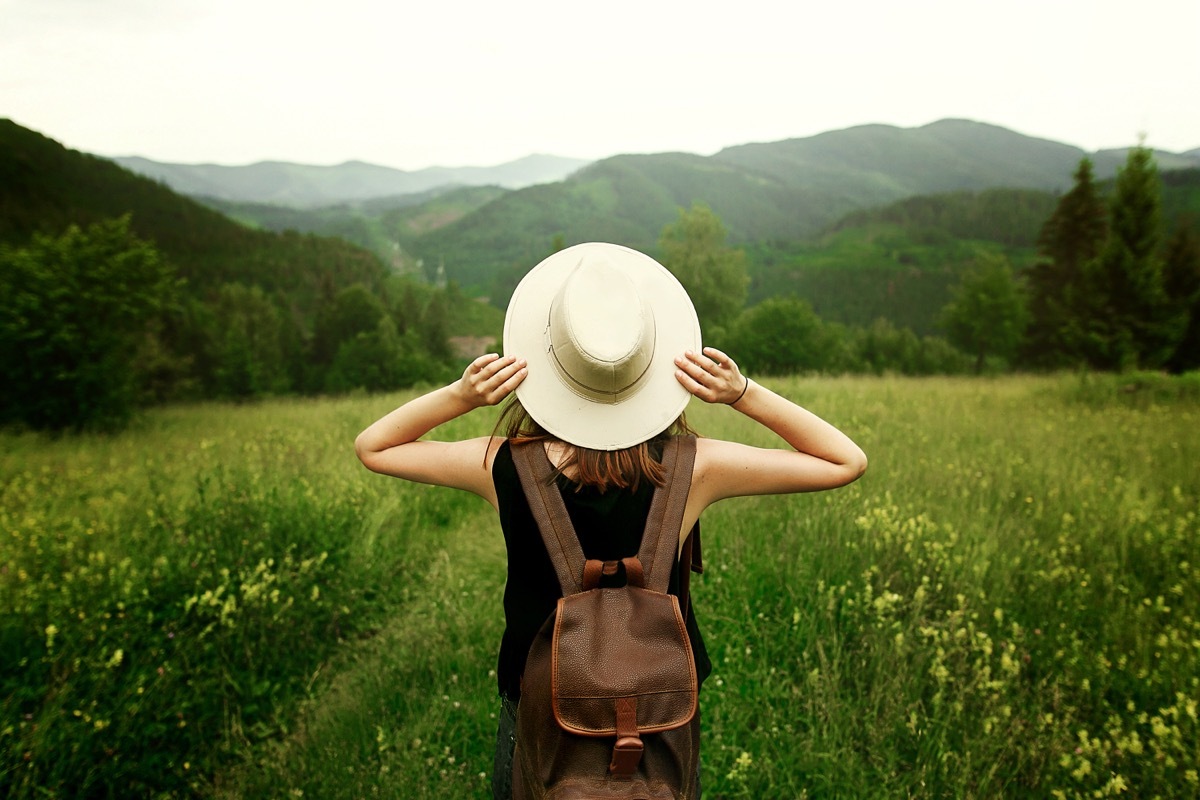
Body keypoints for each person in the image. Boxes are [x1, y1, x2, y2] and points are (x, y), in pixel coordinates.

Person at [355, 242, 867, 799]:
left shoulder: (500, 464)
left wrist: (461, 395)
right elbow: (844, 461)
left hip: (537, 700)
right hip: (659, 711)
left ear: (547, 365)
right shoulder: (696, 467)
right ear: (651, 365)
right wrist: (741, 393)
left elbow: (375, 447)